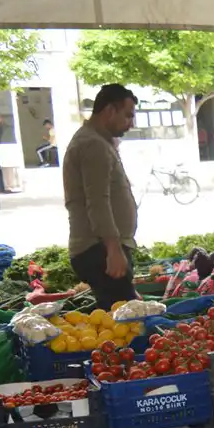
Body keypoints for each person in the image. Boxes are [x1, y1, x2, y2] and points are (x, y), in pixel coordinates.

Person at [64, 84, 139, 311]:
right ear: (109, 111)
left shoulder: (98, 141)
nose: (131, 123)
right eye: (127, 115)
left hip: (101, 249)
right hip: (99, 250)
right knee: (126, 326)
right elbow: (97, 201)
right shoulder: (93, 144)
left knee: (122, 316)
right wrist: (113, 250)